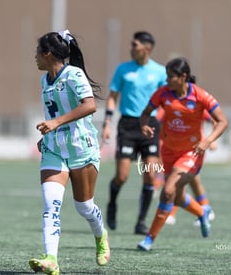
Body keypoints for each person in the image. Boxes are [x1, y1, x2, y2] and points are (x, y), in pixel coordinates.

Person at [29, 30, 110, 275]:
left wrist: (56, 123)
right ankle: (51, 259)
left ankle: (101, 235)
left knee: (84, 206)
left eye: (37, 52)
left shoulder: (74, 75)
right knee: (50, 206)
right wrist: (48, 133)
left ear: (48, 53)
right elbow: (53, 114)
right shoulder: (44, 80)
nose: (34, 57)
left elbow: (90, 105)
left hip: (81, 148)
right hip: (54, 150)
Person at [137, 57, 228, 251]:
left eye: (171, 77)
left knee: (168, 191)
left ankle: (149, 239)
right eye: (167, 76)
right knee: (177, 197)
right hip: (168, 151)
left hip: (191, 152)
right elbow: (145, 113)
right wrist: (144, 125)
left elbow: (222, 121)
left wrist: (208, 141)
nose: (167, 80)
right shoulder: (163, 94)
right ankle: (202, 212)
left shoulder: (200, 96)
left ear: (183, 76)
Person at [102, 31, 167, 235]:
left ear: (147, 48)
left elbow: (166, 100)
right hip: (128, 125)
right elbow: (112, 96)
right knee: (122, 176)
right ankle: (112, 204)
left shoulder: (159, 72)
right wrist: (107, 122)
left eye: (135, 45)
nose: (131, 48)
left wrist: (162, 123)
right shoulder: (122, 69)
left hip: (151, 125)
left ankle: (141, 222)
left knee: (150, 174)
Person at [155, 108, 217, 226]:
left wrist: (211, 140)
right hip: (175, 149)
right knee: (188, 181)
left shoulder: (195, 104)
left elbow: (215, 120)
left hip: (193, 149)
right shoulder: (168, 104)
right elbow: (158, 123)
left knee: (178, 179)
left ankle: (172, 213)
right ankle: (205, 209)